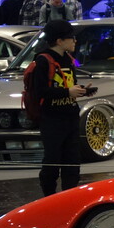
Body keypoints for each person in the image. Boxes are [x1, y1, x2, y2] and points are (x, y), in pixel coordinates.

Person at [32, 20, 90, 197]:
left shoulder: (68, 59)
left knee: (72, 161)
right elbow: (39, 91)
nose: (75, 41)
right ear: (59, 41)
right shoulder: (43, 60)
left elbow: (68, 86)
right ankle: (49, 196)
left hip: (70, 116)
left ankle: (69, 197)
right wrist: (67, 91)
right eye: (71, 38)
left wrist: (80, 90)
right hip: (52, 119)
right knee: (52, 160)